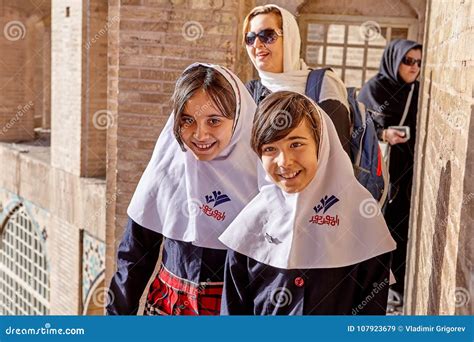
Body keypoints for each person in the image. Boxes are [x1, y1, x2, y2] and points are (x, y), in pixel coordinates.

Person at [219, 91, 396, 315]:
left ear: (321, 145)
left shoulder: (362, 219)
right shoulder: (250, 223)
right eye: (270, 149)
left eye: (296, 144)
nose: (284, 162)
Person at [106, 63, 259, 315]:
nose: (200, 134)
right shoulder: (167, 167)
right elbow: (133, 259)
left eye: (214, 121)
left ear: (239, 119)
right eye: (187, 120)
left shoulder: (262, 178)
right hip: (165, 311)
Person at [358, 39, 422, 304]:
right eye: (408, 61)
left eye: (418, 62)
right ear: (393, 61)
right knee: (373, 229)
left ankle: (396, 288)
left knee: (400, 228)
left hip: (405, 172)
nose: (414, 68)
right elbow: (358, 130)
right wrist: (384, 134)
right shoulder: (373, 89)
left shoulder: (416, 91)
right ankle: (366, 289)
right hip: (377, 173)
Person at [243, 4, 351, 155]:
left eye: (267, 35)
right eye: (250, 38)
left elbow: (338, 152)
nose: (257, 44)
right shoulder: (249, 92)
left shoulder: (322, 84)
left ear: (289, 38)